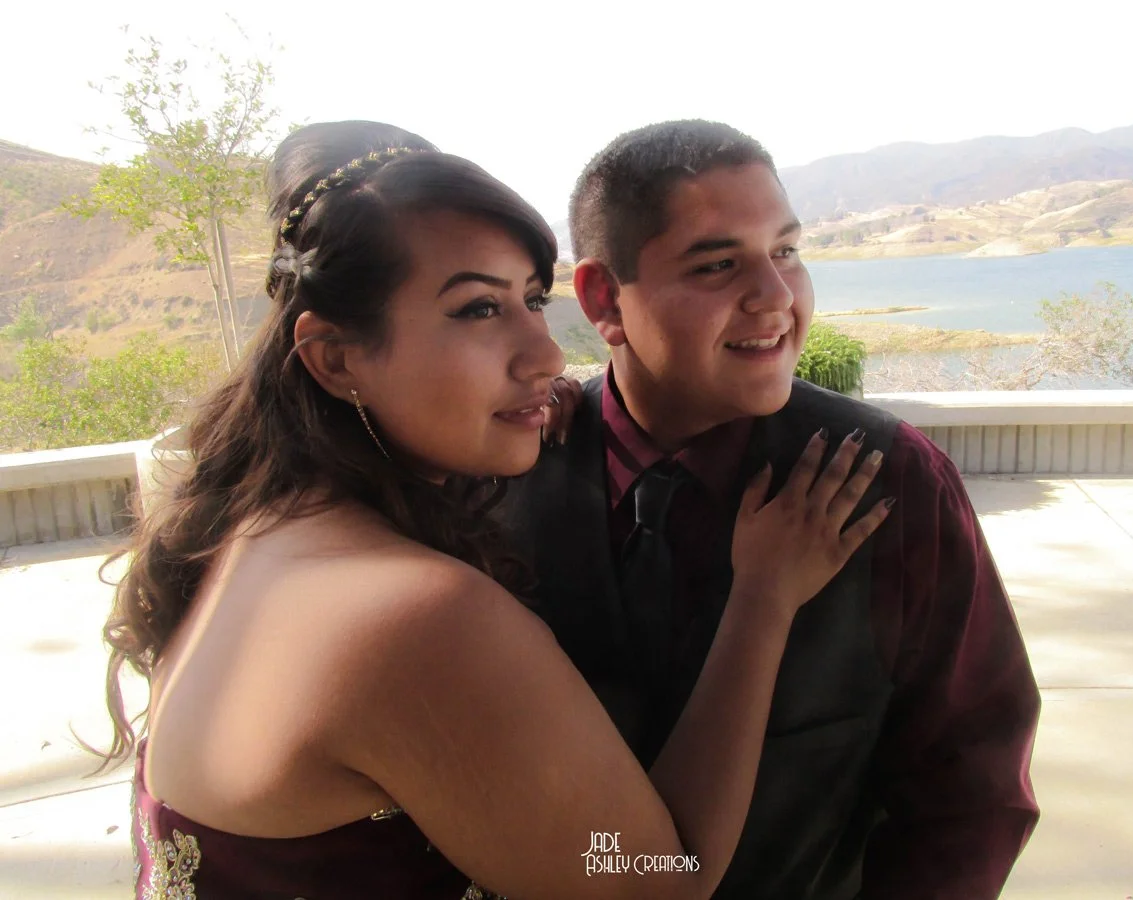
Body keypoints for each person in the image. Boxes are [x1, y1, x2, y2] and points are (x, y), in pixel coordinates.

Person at [97, 120, 894, 900]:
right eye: (477, 309)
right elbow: (666, 879)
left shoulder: (253, 531)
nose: (549, 356)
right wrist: (763, 597)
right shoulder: (414, 621)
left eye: (532, 300)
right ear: (335, 357)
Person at [497, 119, 1042, 899]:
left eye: (785, 252)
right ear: (603, 299)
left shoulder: (888, 481)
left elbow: (969, 784)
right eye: (719, 264)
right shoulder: (511, 469)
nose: (777, 298)